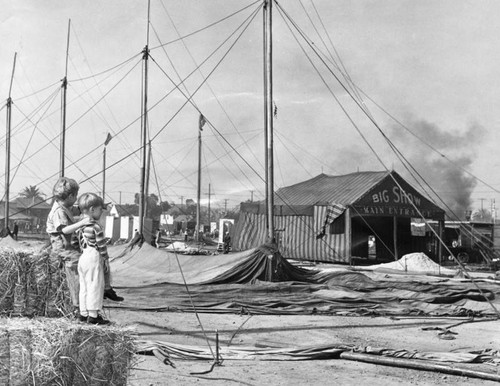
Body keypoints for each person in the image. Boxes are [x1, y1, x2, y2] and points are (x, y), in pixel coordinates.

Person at [75, 192, 113, 325]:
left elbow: (76, 243)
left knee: (84, 286)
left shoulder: (80, 227)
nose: (101, 213)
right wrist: (106, 259)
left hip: (83, 256)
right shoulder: (96, 227)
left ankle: (83, 313)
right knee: (95, 285)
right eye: (99, 210)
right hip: (93, 256)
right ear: (92, 209)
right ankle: (93, 315)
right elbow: (101, 245)